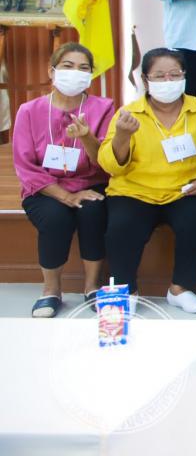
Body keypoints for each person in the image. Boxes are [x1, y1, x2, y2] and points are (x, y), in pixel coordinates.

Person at [98, 48, 196, 313]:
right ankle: (126, 290)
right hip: (134, 191)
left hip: (183, 190)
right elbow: (110, 165)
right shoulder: (129, 113)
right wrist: (122, 136)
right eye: (160, 76)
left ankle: (180, 288)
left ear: (185, 76)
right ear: (145, 79)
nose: (168, 81)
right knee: (122, 227)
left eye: (175, 74)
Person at [14, 43, 115, 317]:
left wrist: (86, 137)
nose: (75, 73)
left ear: (91, 75)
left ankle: (92, 287)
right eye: (68, 66)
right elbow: (25, 165)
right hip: (44, 188)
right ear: (52, 71)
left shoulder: (104, 107)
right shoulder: (29, 110)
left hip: (90, 183)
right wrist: (65, 196)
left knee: (93, 212)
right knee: (55, 218)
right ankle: (51, 290)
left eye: (83, 68)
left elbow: (105, 160)